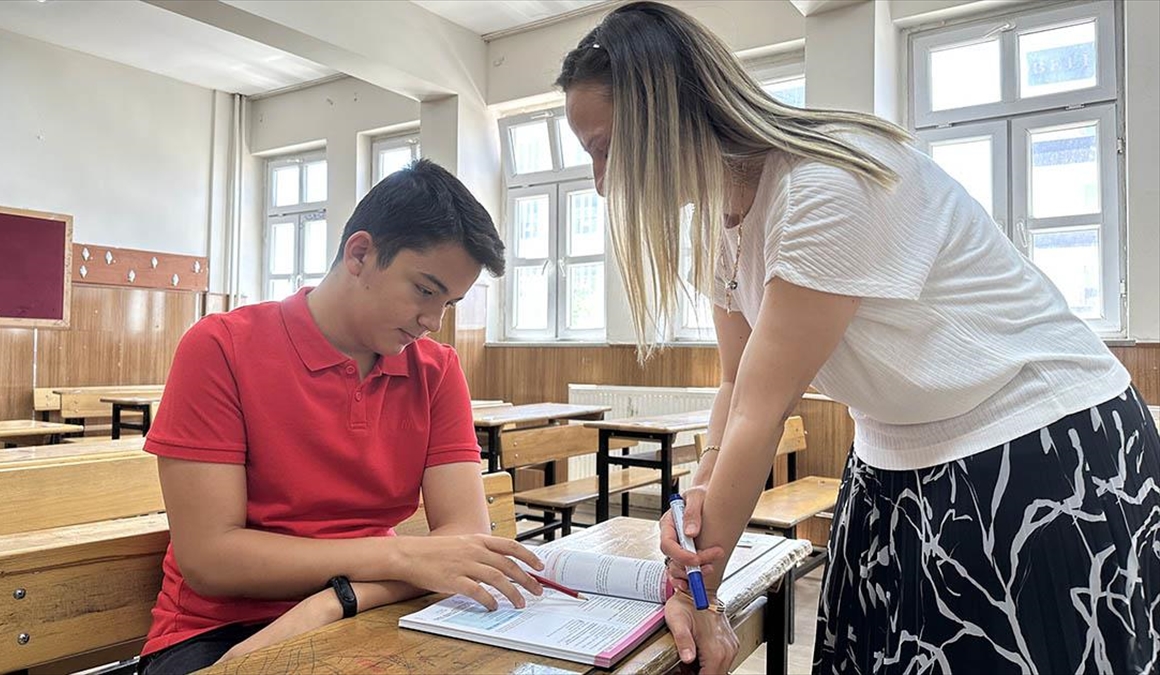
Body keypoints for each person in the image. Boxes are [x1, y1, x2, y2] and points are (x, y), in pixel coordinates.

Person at [556, 3, 1160, 674]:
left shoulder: (822, 185)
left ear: (666, 113)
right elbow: (735, 384)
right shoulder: (716, 227)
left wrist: (698, 589)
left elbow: (764, 409)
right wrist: (698, 499)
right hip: (894, 454)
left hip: (1036, 440)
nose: (603, 185)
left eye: (606, 149)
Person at [137, 159, 545, 674]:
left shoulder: (436, 370)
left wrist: (335, 601)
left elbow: (462, 536)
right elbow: (211, 560)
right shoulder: (221, 347)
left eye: (450, 303)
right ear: (360, 254)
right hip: (219, 634)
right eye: (424, 290)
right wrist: (400, 559)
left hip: (368, 611)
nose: (433, 322)